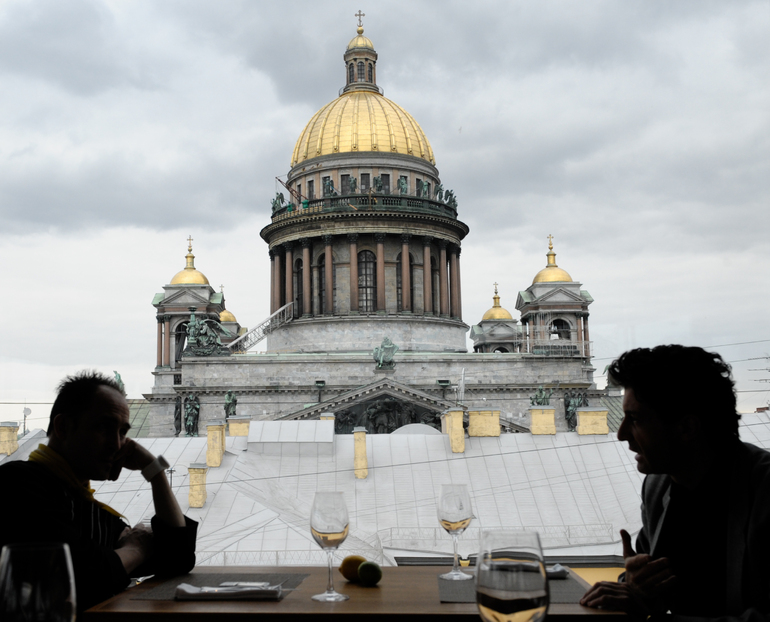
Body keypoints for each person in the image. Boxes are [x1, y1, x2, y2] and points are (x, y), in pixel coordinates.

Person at [580, 345, 770, 620]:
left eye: (634, 419)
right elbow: (652, 588)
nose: (621, 434)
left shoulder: (764, 493)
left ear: (687, 428)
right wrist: (636, 588)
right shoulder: (659, 485)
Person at [0, 371, 197, 613]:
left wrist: (155, 472)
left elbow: (178, 557)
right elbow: (83, 577)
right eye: (104, 428)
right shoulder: (17, 485)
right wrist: (136, 550)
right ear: (63, 427)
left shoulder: (84, 504)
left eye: (122, 432)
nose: (117, 444)